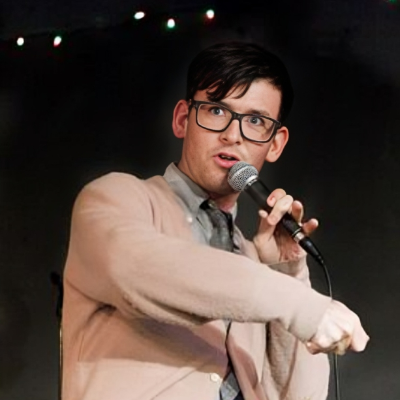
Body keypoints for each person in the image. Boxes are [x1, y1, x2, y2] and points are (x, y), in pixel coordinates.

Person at [61, 42, 369, 400]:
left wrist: (288, 271)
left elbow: (299, 396)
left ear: (275, 143)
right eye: (216, 111)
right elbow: (138, 267)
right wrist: (298, 304)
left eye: (255, 121)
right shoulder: (116, 198)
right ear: (182, 119)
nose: (233, 135)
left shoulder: (253, 265)